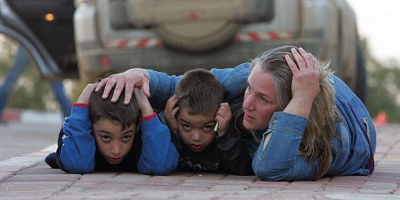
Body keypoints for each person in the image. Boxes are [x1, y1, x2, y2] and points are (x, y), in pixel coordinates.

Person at [96, 45, 376, 181]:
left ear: (291, 106)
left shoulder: (330, 144)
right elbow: (180, 86)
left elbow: (269, 168)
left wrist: (303, 97)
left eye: (263, 99)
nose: (247, 103)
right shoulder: (247, 83)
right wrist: (138, 74)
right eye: (250, 89)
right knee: (238, 83)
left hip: (353, 123)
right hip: (291, 77)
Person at [44, 82, 179, 174]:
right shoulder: (78, 132)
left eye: (126, 137)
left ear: (137, 126)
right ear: (90, 126)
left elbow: (161, 165)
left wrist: (145, 105)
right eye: (106, 138)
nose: (116, 150)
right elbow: (78, 164)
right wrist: (83, 99)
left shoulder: (146, 137)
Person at [163, 68, 253, 175]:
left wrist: (225, 133)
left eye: (207, 127)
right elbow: (163, 163)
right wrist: (172, 130)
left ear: (218, 118)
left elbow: (244, 168)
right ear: (175, 117)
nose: (196, 137)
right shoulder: (169, 128)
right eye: (187, 126)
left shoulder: (227, 136)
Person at [0, 46, 72, 120]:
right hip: (40, 45)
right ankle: (70, 119)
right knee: (57, 84)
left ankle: (69, 119)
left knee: (10, 80)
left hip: (35, 44)